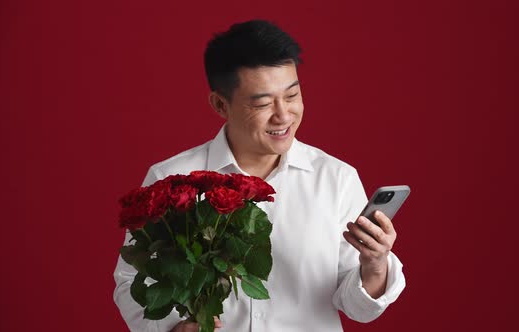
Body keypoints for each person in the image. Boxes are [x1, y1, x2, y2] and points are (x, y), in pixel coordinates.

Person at [114, 19, 406, 332]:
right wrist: (173, 329)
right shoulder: (172, 180)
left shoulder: (336, 179)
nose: (283, 115)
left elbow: (358, 309)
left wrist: (374, 265)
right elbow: (131, 282)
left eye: (292, 96)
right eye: (263, 103)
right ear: (220, 104)